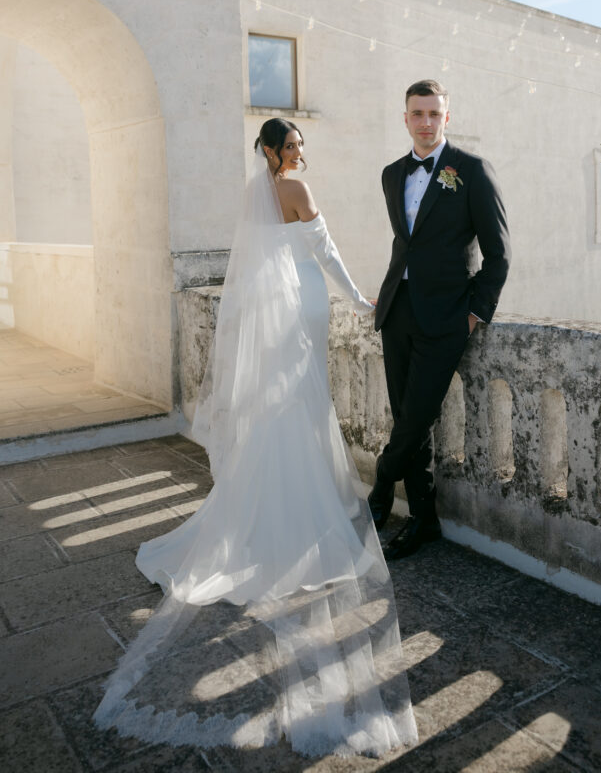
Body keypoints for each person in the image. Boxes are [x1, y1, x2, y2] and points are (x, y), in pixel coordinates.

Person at [94, 118, 417, 759]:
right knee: (302, 406)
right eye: (290, 145)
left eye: (299, 144)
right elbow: (326, 255)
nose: (299, 152)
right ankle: (299, 516)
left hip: (279, 314)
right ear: (273, 151)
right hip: (305, 308)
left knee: (286, 411)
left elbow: (251, 268)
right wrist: (360, 299)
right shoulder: (295, 188)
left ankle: (269, 509)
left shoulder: (252, 193)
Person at [369, 80, 511, 560]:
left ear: (446, 117)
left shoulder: (471, 171)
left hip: (447, 317)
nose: (426, 122)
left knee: (415, 417)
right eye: (417, 114)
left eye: (434, 113)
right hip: (396, 310)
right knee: (410, 420)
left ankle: (381, 484)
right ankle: (424, 521)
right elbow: (406, 245)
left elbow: (498, 255)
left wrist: (473, 314)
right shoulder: (392, 174)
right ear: (405, 118)